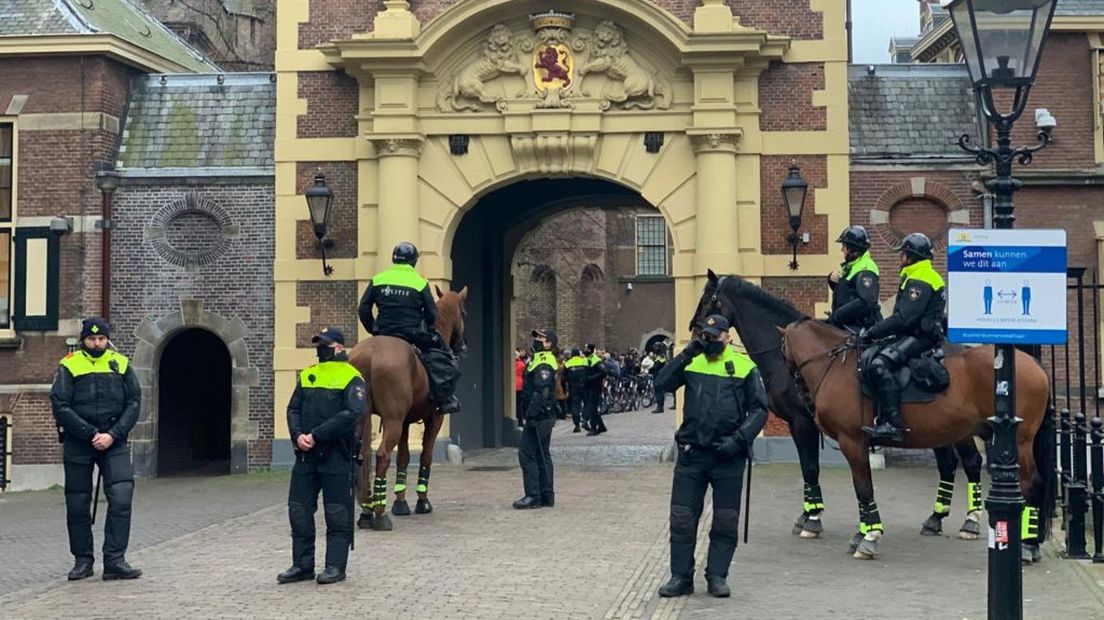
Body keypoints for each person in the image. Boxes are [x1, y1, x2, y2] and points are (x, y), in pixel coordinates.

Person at [654, 315, 767, 598]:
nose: (711, 340)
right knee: (682, 518)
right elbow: (662, 383)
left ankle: (717, 576)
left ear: (728, 337)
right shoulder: (692, 361)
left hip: (728, 455)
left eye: (716, 336)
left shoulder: (744, 366)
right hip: (692, 454)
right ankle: (681, 577)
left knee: (725, 520)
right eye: (706, 335)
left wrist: (739, 440)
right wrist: (690, 351)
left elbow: (760, 410)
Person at [50, 317, 143, 581]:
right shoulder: (69, 365)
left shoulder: (121, 364)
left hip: (114, 440)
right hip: (80, 441)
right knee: (78, 502)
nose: (97, 343)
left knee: (122, 496)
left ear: (107, 339)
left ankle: (114, 560)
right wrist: (91, 434)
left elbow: (134, 402)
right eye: (92, 339)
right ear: (83, 341)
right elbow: (60, 405)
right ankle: (82, 561)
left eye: (101, 338)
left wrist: (113, 435)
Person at [279, 327, 367, 585]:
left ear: (339, 347)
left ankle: (335, 567)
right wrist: (297, 436)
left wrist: (315, 435)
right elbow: (293, 408)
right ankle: (302, 565)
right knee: (299, 511)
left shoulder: (352, 377)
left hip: (336, 456)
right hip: (306, 456)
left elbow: (352, 415)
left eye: (325, 344)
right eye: (319, 344)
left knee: (337, 513)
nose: (321, 349)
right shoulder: (309, 375)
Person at [859, 233, 946, 442]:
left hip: (921, 337)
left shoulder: (921, 279)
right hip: (912, 334)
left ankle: (893, 424)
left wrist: (872, 332)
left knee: (880, 365)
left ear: (912, 256)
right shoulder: (916, 274)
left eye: (904, 253)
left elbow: (905, 318)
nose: (901, 257)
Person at [358, 241, 460, 414]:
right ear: (414, 262)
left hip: (382, 332)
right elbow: (432, 315)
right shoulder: (419, 282)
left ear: (393, 259)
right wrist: (425, 326)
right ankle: (444, 400)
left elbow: (363, 308)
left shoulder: (378, 279)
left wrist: (374, 329)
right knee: (443, 359)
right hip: (410, 335)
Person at [514, 329, 560, 509]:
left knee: (527, 453)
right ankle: (546, 495)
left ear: (549, 343)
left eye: (540, 338)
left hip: (539, 416)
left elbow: (542, 391)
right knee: (542, 454)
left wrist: (531, 414)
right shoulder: (541, 360)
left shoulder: (542, 362)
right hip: (545, 415)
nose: (536, 340)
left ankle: (533, 495)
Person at [826, 225, 881, 331]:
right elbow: (848, 294)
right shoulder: (852, 265)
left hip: (861, 328)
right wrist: (833, 281)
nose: (842, 249)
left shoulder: (866, 269)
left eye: (844, 246)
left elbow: (866, 302)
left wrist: (837, 315)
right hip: (847, 325)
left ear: (852, 248)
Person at [583, 343, 607, 435]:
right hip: (587, 387)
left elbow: (604, 372)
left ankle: (593, 428)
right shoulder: (586, 359)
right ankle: (601, 426)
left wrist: (592, 377)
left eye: (587, 349)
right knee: (591, 407)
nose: (585, 351)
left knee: (592, 408)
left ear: (591, 350)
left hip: (595, 387)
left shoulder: (595, 360)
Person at [564, 348, 589, 433]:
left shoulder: (567, 363)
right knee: (587, 403)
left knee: (575, 405)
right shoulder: (584, 361)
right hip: (584, 386)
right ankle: (585, 419)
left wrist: (566, 387)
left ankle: (577, 425)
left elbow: (565, 377)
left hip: (573, 387)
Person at [650, 342, 669, 413]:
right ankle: (659, 406)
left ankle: (660, 407)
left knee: (659, 391)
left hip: (659, 375)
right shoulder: (658, 356)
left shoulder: (661, 356)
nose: (654, 349)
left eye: (655, 347)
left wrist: (650, 369)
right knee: (658, 391)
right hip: (657, 375)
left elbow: (657, 366)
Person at [515, 349, 527, 428]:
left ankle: (520, 421)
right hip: (519, 384)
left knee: (518, 405)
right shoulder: (522, 363)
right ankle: (520, 421)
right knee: (519, 404)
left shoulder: (518, 364)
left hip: (516, 384)